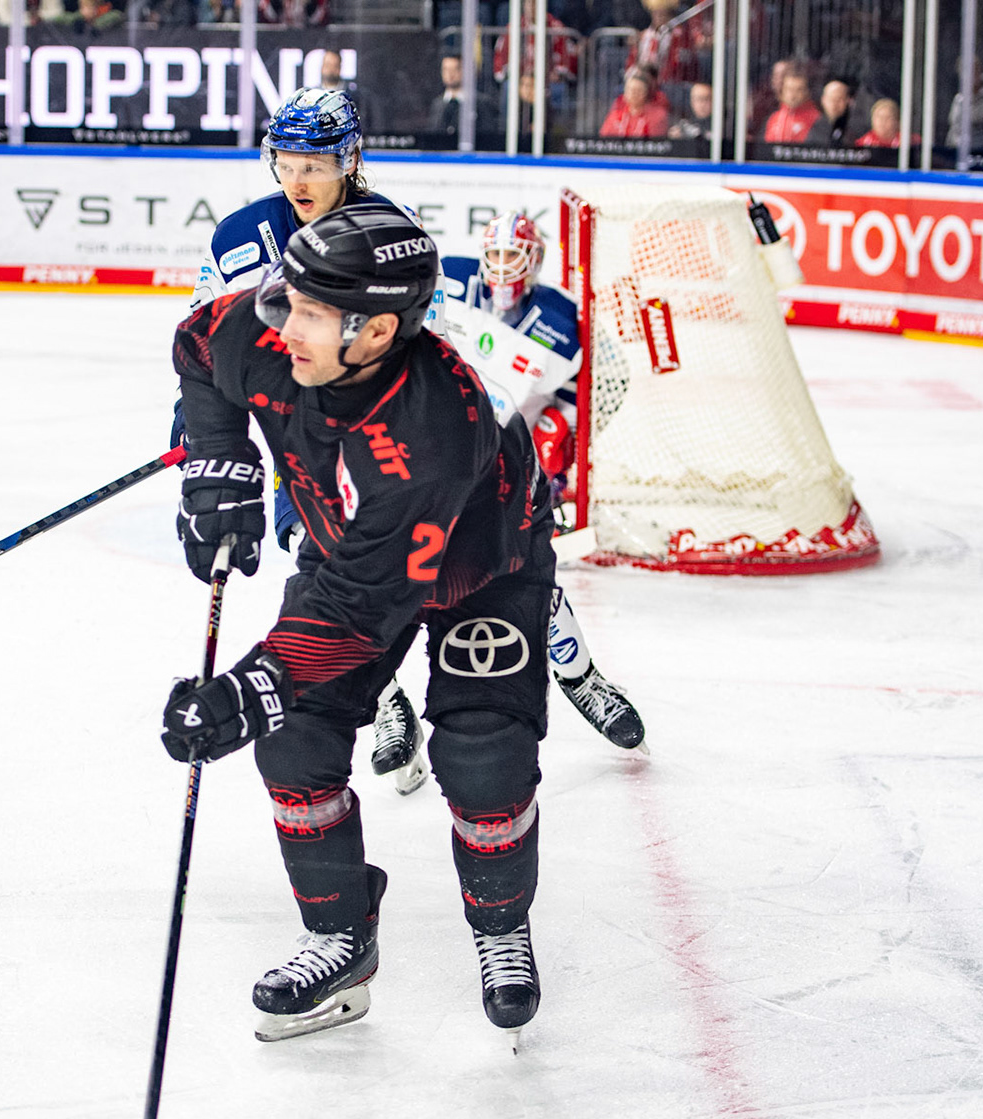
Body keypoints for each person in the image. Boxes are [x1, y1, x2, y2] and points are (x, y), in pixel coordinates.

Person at [162, 205, 555, 1045]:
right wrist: (216, 460)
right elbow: (197, 346)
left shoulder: (430, 434)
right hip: (352, 551)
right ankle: (340, 936)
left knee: (484, 751)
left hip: (484, 565)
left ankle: (500, 924)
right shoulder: (273, 333)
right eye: (286, 299)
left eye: (307, 312)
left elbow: (359, 616)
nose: (282, 324)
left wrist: (248, 687)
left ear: (377, 331)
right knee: (296, 738)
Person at [179, 88, 438, 795]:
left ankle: (383, 695)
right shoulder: (238, 235)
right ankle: (385, 702)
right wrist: (201, 427)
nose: (298, 179)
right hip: (288, 435)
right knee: (317, 566)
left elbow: (425, 352)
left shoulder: (391, 233)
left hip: (374, 444)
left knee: (367, 581)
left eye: (316, 163)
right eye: (286, 160)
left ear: (349, 161)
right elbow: (204, 334)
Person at [431, 211, 647, 753]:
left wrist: (560, 436)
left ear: (534, 261)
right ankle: (392, 708)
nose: (502, 267)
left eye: (513, 256)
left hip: (512, 465)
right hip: (438, 456)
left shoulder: (560, 315)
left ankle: (581, 678)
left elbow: (606, 384)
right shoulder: (450, 281)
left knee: (527, 576)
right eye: (496, 254)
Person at [599, 64, 669, 137]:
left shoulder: (658, 116)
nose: (633, 94)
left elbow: (657, 144)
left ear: (646, 93)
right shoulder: (615, 116)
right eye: (630, 90)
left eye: (638, 91)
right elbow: (604, 141)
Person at [762, 68, 819, 142]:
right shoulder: (774, 118)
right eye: (789, 89)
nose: (793, 95)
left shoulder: (816, 119)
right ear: (782, 91)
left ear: (807, 92)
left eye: (798, 90)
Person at [805, 78, 853, 146]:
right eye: (831, 99)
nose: (834, 104)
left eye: (839, 99)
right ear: (823, 100)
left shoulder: (854, 126)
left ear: (848, 101)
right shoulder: (814, 125)